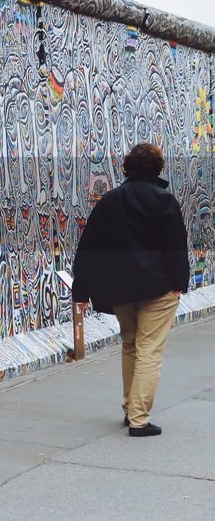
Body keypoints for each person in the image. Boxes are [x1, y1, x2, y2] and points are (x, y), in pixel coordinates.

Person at [71, 143, 189, 437]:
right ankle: (139, 419)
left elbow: (89, 247)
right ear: (158, 169)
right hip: (159, 288)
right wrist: (179, 284)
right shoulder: (165, 201)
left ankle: (129, 409)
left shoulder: (109, 201)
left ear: (127, 168)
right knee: (149, 350)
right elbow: (176, 248)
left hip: (120, 289)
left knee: (130, 344)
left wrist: (81, 290)